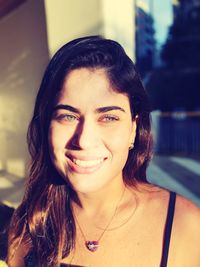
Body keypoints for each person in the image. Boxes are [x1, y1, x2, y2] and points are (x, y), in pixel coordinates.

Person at [7, 36, 200, 267]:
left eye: (108, 117)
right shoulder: (28, 224)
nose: (85, 140)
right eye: (68, 116)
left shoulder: (184, 227)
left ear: (133, 129)